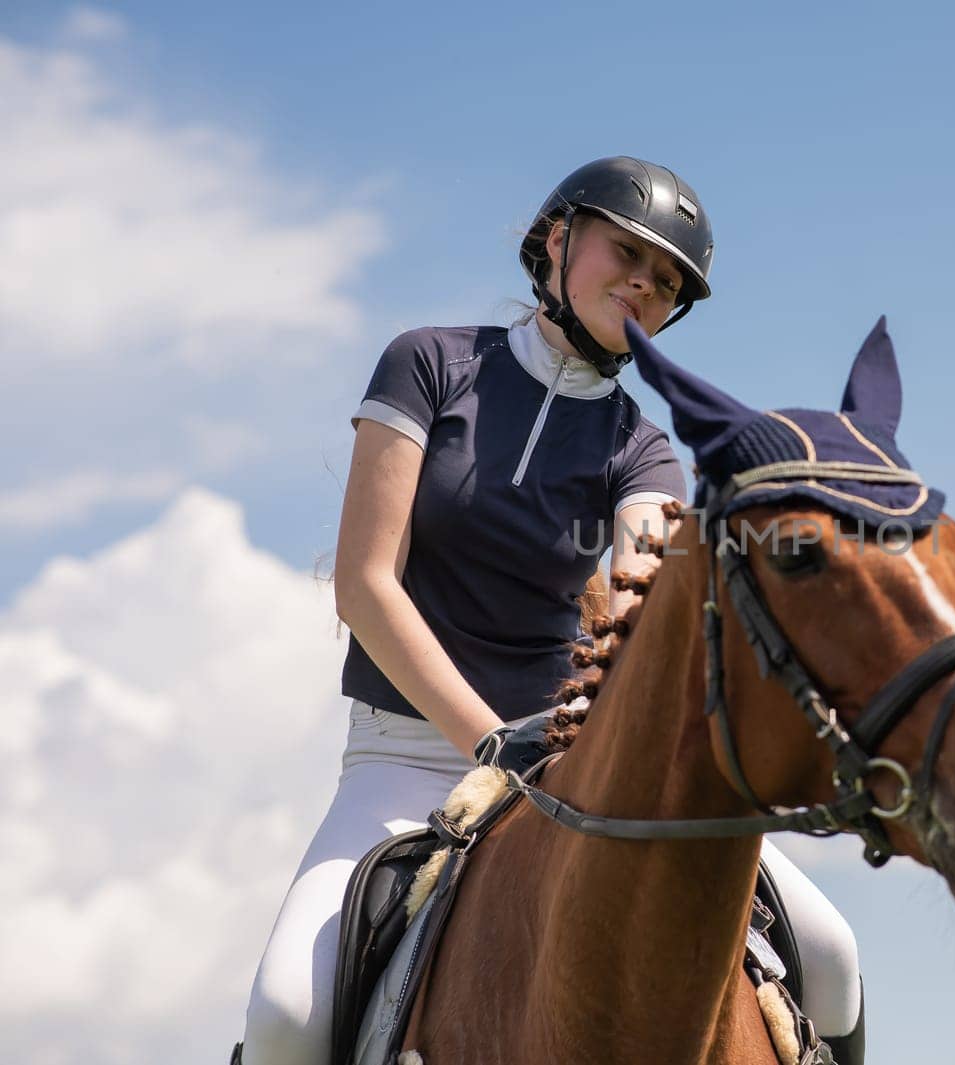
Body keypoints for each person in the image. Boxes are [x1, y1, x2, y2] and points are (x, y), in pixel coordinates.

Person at [238, 157, 866, 1064]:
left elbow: (642, 585)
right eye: (629, 255)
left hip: (573, 771)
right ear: (558, 241)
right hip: (403, 763)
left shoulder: (643, 450)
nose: (644, 286)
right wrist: (492, 742)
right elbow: (365, 583)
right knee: (287, 1012)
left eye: (668, 282)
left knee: (833, 955)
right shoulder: (429, 364)